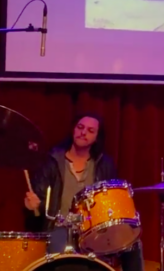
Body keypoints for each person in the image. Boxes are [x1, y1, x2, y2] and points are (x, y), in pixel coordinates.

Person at [23, 113, 144, 271]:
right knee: (61, 249)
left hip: (93, 229)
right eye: (80, 127)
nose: (83, 132)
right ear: (73, 130)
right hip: (59, 227)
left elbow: (112, 204)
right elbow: (38, 202)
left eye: (90, 130)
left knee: (132, 242)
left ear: (96, 138)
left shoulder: (104, 164)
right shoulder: (52, 160)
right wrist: (32, 206)